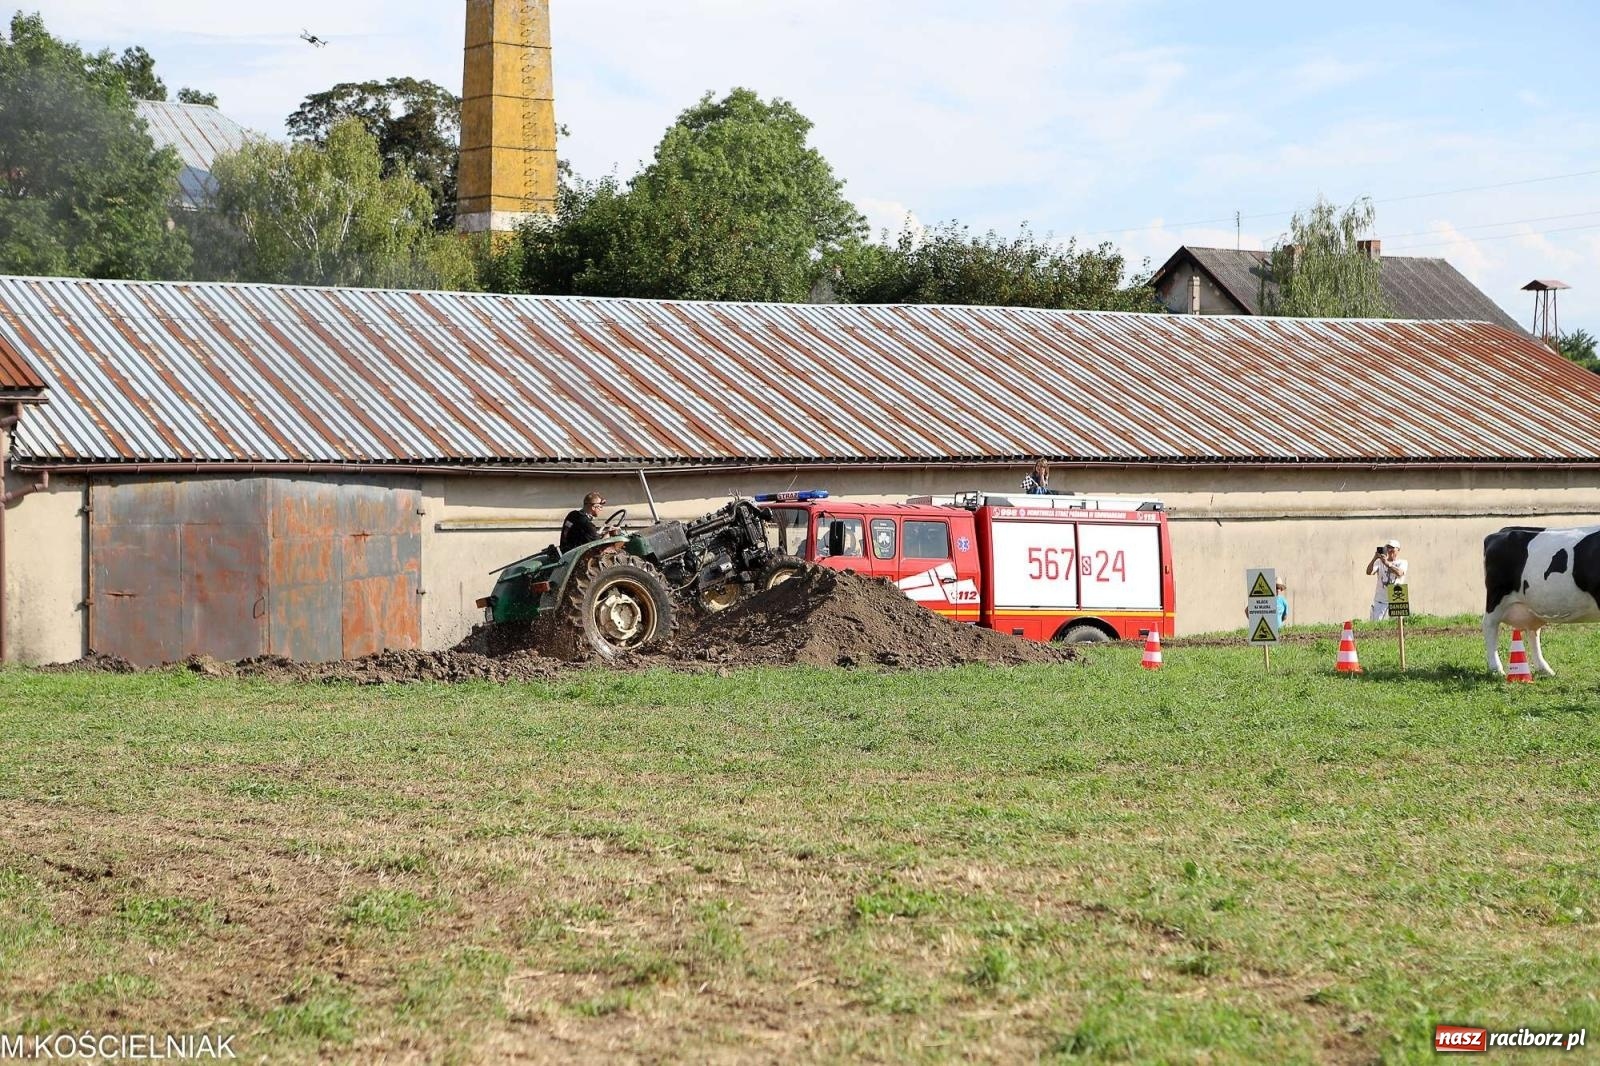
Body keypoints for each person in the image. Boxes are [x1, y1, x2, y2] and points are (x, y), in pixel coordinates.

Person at [1366, 539, 1408, 620]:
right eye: (1387, 547)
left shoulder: (1402, 562)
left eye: (1392, 548)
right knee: (1377, 626)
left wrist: (1387, 563)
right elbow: (1368, 572)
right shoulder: (1379, 562)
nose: (1389, 550)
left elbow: (1400, 573)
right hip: (1380, 601)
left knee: (1396, 626)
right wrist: (1375, 558)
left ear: (1398, 550)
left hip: (1396, 600)